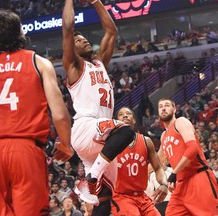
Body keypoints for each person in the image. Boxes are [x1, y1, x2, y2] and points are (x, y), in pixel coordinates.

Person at [0, 10, 74, 216]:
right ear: (21, 32)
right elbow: (60, 115)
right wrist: (65, 144)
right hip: (26, 151)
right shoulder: (39, 63)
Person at [62, 0, 135, 213]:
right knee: (126, 130)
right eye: (78, 40)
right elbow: (68, 29)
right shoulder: (74, 65)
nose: (84, 41)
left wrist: (96, 2)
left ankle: (92, 178)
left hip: (100, 142)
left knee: (104, 199)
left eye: (85, 39)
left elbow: (111, 31)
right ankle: (92, 176)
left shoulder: (100, 62)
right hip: (87, 127)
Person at [157, 98, 218, 216]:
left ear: (174, 109)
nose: (163, 108)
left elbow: (193, 148)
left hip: (198, 177)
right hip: (181, 185)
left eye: (167, 105)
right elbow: (157, 162)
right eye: (160, 107)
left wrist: (174, 172)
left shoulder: (180, 122)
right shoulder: (163, 136)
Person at [111, 107, 168, 216]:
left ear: (134, 120)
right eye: (121, 114)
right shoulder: (110, 143)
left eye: (128, 113)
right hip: (121, 196)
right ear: (116, 121)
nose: (125, 116)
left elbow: (158, 168)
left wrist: (164, 184)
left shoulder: (146, 141)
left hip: (141, 196)